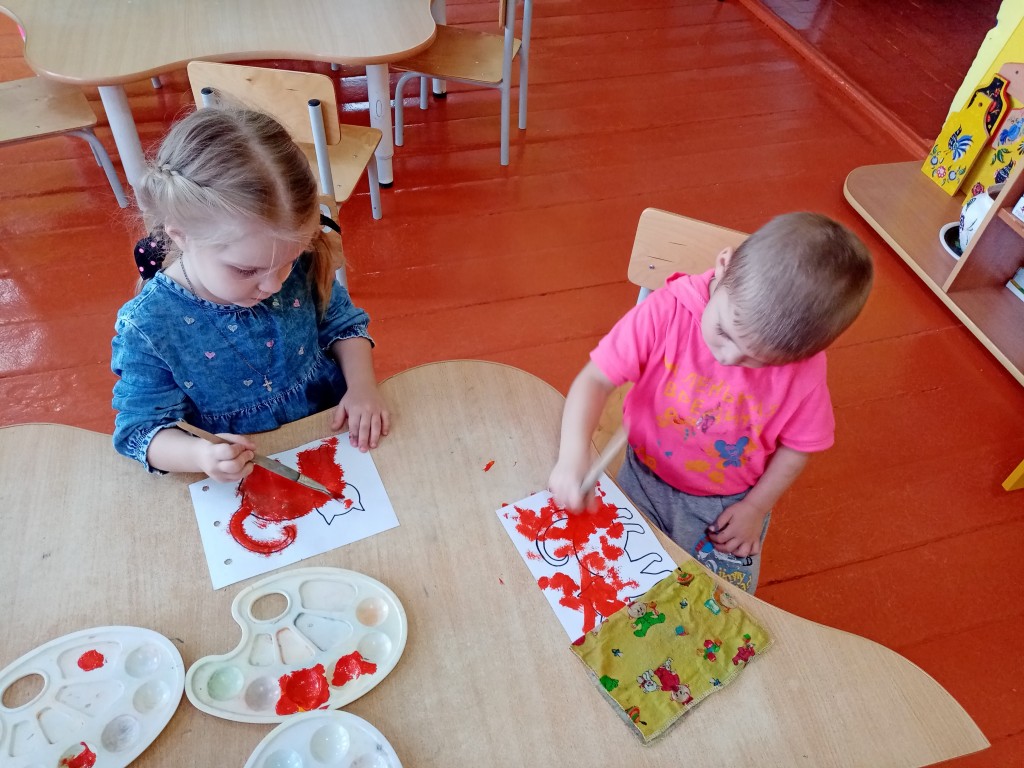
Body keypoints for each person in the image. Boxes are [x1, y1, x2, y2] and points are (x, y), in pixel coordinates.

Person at [548, 212, 873, 593]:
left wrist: (756, 508)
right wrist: (573, 456)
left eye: (760, 360)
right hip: (642, 476)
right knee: (618, 584)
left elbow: (798, 447)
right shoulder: (666, 312)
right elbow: (595, 379)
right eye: (724, 331)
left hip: (725, 507)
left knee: (716, 604)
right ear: (724, 265)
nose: (730, 358)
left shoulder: (803, 370)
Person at [111, 107, 390, 482]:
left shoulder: (293, 263)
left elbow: (343, 325)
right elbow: (139, 431)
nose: (274, 285)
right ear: (181, 236)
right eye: (246, 270)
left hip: (329, 432)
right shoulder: (148, 327)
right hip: (242, 474)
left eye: (289, 261)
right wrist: (200, 455)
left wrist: (362, 386)